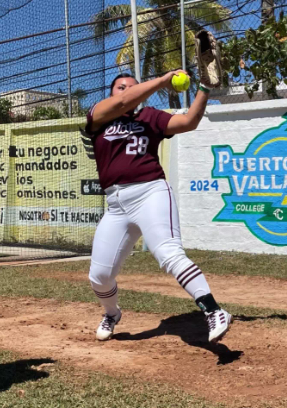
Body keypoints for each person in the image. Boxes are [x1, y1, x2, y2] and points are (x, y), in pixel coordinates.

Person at [84, 70, 231, 343]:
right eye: (120, 87)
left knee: (168, 253)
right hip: (115, 204)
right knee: (99, 276)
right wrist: (164, 80)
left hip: (150, 191)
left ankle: (214, 310)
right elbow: (122, 103)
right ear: (111, 93)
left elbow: (189, 121)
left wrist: (206, 88)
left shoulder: (149, 117)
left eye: (131, 87)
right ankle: (112, 313)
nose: (125, 91)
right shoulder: (98, 117)